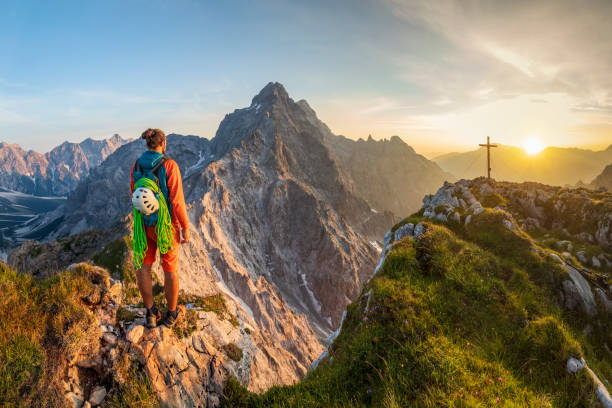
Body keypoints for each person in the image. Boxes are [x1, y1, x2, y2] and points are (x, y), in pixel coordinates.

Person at [130, 128, 190, 328]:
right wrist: (185, 227)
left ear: (147, 144)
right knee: (170, 269)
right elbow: (177, 202)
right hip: (165, 227)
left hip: (143, 225)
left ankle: (150, 313)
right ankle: (172, 314)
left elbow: (134, 194)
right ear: (163, 143)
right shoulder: (169, 165)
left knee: (143, 268)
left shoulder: (136, 166)